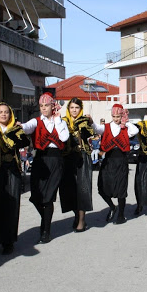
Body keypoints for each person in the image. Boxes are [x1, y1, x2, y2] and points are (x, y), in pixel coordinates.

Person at [20, 92, 69, 244]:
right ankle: (45, 220)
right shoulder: (36, 121)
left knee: (48, 197)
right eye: (41, 106)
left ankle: (46, 231)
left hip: (55, 160)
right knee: (36, 197)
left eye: (46, 105)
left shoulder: (60, 121)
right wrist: (19, 126)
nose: (43, 108)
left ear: (52, 106)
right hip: (40, 160)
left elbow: (64, 138)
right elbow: (27, 127)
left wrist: (58, 120)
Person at [0, 102, 30, 254]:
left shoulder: (16, 129)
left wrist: (17, 131)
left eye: (6, 112)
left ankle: (9, 240)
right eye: (0, 112)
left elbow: (25, 142)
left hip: (12, 169)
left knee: (12, 205)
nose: (3, 115)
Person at [92, 103, 139, 224]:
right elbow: (97, 129)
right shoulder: (106, 127)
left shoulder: (126, 128)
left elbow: (135, 130)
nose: (116, 118)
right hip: (108, 161)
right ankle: (113, 207)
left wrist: (126, 121)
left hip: (122, 161)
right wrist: (91, 121)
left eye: (118, 116)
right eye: (114, 116)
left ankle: (121, 215)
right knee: (102, 188)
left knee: (121, 189)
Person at [60, 98, 95, 232]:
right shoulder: (63, 121)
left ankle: (82, 220)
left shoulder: (85, 121)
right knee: (70, 189)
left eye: (77, 108)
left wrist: (88, 124)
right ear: (68, 108)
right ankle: (76, 214)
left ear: (81, 109)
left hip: (82, 157)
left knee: (83, 189)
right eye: (72, 108)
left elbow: (89, 134)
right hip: (67, 158)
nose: (74, 110)